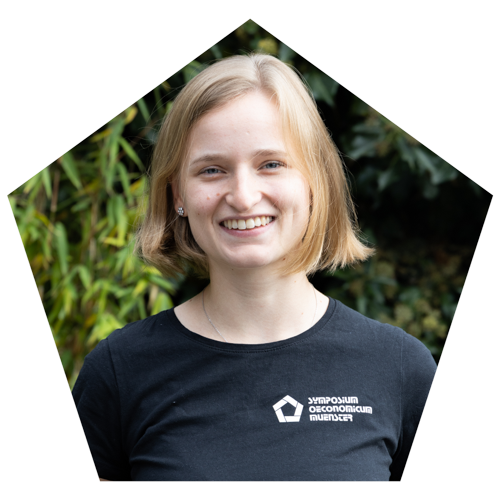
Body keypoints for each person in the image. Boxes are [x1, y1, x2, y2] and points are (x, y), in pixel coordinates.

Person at [72, 53, 436, 481]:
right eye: (212, 170)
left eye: (271, 164)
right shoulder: (119, 371)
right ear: (178, 195)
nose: (243, 197)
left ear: (315, 181)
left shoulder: (399, 368)